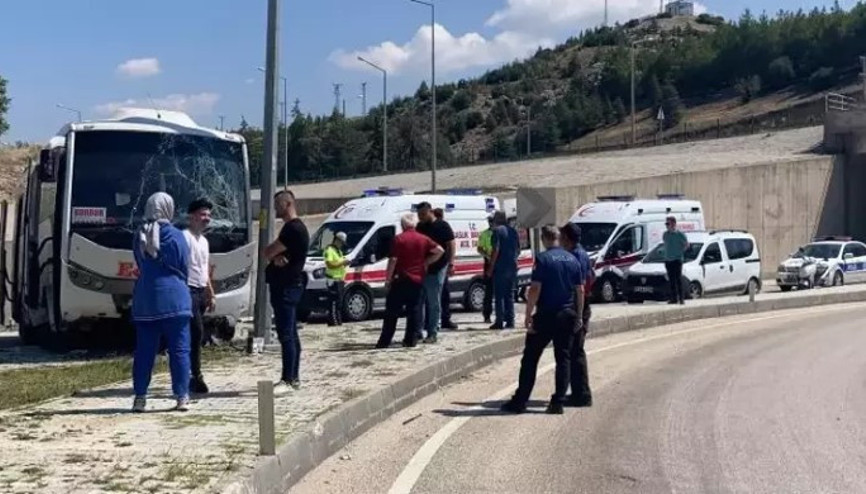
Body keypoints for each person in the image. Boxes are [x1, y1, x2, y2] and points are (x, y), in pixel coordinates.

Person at [501, 226, 585, 415]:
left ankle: (520, 400)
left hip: (546, 315)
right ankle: (558, 402)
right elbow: (580, 290)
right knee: (563, 358)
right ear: (558, 238)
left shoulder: (542, 259)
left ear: (545, 239)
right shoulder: (572, 259)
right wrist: (579, 316)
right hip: (567, 314)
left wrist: (528, 314)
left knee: (530, 358)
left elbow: (535, 289)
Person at [131, 192, 193, 413]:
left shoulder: (140, 235)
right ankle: (181, 396)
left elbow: (139, 262)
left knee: (144, 352)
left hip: (146, 300)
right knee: (180, 350)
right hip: (176, 300)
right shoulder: (178, 236)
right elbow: (185, 265)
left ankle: (140, 397)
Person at [263, 190, 310, 395]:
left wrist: (272, 255)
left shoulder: (293, 229)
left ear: (288, 203)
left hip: (286, 286)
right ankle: (294, 377)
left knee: (286, 334)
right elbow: (274, 255)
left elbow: (267, 251)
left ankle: (288, 378)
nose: (275, 210)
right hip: (288, 285)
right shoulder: (293, 228)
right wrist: (274, 258)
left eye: (277, 205)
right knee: (291, 332)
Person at [377, 213, 444, 349]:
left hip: (400, 279)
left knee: (392, 312)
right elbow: (440, 250)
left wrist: (387, 279)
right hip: (417, 280)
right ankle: (410, 340)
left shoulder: (398, 239)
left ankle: (385, 341)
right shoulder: (423, 239)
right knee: (414, 311)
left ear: (402, 225)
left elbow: (393, 260)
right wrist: (426, 262)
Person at [183, 198, 216, 395]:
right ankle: (195, 375)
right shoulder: (184, 237)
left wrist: (210, 293)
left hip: (199, 291)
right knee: (195, 331)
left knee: (196, 334)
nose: (206, 219)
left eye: (209, 216)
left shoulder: (204, 242)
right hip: (186, 290)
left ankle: (192, 373)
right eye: (203, 215)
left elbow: (205, 270)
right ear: (192, 216)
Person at [560, 223, 594, 408]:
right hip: (577, 304)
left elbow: (583, 284)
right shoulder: (579, 253)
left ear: (567, 238)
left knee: (576, 351)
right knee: (573, 350)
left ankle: (582, 395)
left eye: (562, 236)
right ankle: (577, 392)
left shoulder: (576, 256)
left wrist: (579, 313)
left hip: (578, 305)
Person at [416, 202, 455, 344]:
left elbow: (451, 245)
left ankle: (432, 333)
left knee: (433, 301)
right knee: (419, 301)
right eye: (419, 215)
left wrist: (451, 263)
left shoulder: (442, 226)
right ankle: (418, 331)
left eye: (423, 214)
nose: (420, 217)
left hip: (438, 267)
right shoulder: (420, 227)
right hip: (422, 269)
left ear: (430, 211)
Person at [486, 211, 519, 330]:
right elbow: (518, 250)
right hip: (512, 267)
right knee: (509, 295)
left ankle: (499, 321)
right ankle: (510, 321)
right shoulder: (513, 231)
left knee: (499, 295)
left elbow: (496, 250)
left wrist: (490, 267)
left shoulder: (497, 231)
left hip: (500, 267)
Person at [433, 208, 459, 331]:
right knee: (442, 295)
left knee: (439, 295)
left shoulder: (438, 227)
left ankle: (440, 320)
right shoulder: (443, 226)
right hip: (441, 265)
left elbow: (451, 245)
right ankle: (443, 320)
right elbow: (452, 245)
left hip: (438, 265)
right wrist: (451, 264)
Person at [324, 231, 350, 326]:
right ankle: (333, 322)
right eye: (341, 243)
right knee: (334, 303)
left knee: (339, 303)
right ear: (337, 240)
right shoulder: (329, 250)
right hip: (333, 280)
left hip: (339, 280)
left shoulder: (338, 251)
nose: (342, 245)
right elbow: (329, 264)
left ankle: (338, 321)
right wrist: (342, 263)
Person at [663, 216, 689, 305]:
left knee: (678, 279)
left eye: (668, 223)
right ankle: (673, 298)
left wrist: (680, 252)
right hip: (668, 260)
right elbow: (665, 245)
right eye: (666, 224)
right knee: (671, 280)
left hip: (677, 260)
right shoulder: (665, 234)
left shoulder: (680, 234)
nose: (666, 225)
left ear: (673, 224)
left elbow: (686, 245)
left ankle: (681, 299)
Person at [477, 215, 495, 324]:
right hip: (488, 263)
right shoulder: (484, 234)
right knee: (488, 292)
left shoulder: (499, 233)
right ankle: (487, 315)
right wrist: (486, 255)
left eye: (492, 221)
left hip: (499, 263)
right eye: (489, 221)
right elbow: (479, 248)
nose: (491, 223)